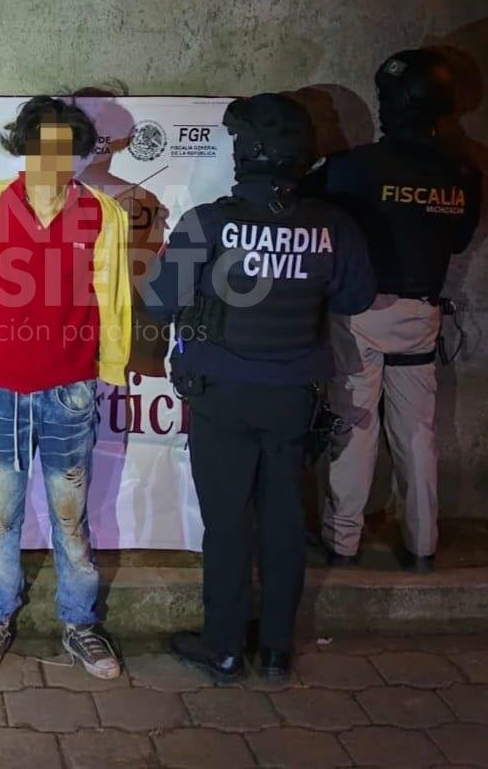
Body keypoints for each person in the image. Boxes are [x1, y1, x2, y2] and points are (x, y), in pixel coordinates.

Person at [144, 93, 376, 681]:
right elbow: (355, 298)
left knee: (227, 523)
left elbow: (161, 303)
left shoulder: (209, 222)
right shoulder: (333, 224)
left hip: (222, 394)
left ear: (246, 152)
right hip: (294, 398)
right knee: (284, 522)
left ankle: (224, 647)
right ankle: (275, 650)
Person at [0, 95, 131, 680]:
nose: (51, 160)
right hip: (1, 388)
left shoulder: (103, 213)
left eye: (64, 149)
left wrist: (110, 368)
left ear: (79, 154)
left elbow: (114, 300)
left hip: (70, 391)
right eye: (40, 146)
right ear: (24, 147)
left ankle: (80, 623)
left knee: (71, 521)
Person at [311, 49, 482, 572]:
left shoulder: (353, 167)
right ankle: (422, 545)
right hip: (422, 315)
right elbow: (458, 240)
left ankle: (343, 543)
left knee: (355, 425)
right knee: (417, 432)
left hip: (360, 313)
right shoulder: (462, 172)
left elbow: (309, 212)